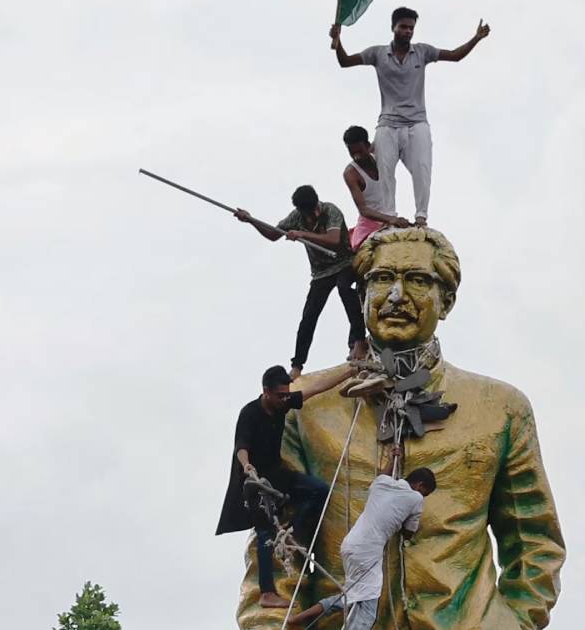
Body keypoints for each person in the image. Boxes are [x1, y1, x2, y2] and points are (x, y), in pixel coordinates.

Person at [236, 228, 565, 629]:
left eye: (418, 279)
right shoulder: (304, 408)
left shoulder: (502, 410)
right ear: (361, 297)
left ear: (447, 301)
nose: (396, 295)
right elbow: (276, 541)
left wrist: (512, 622)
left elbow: (534, 540)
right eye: (381, 279)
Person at [329, 7, 491, 226]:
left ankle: (421, 216)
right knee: (385, 169)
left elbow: (454, 56)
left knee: (423, 168)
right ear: (393, 28)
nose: (407, 32)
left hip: (416, 122)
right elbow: (345, 61)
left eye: (411, 28)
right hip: (388, 123)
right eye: (403, 27)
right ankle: (389, 217)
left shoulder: (422, 52)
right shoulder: (377, 54)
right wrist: (338, 42)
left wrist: (476, 38)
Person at [216, 364, 355, 609]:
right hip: (255, 483)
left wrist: (350, 372)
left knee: (319, 490)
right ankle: (267, 593)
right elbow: (242, 446)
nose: (284, 399)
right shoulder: (250, 413)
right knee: (265, 534)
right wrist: (247, 467)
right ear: (266, 391)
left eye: (286, 394)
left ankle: (292, 535)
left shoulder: (282, 403)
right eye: (279, 395)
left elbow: (316, 388)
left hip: (278, 474)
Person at [286, 446, 435, 629]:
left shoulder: (381, 484)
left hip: (350, 545)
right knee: (367, 611)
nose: (423, 497)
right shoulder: (416, 499)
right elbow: (408, 533)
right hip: (368, 551)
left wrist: (391, 460)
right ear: (420, 485)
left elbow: (382, 475)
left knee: (351, 596)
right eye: (425, 493)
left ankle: (299, 618)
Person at [234, 185, 367, 379]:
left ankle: (359, 340)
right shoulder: (296, 217)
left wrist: (303, 234)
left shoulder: (330, 210)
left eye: (313, 212)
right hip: (321, 272)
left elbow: (333, 239)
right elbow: (273, 234)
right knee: (309, 315)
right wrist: (251, 220)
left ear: (316, 205)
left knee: (344, 288)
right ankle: (297, 365)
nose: (311, 217)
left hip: (344, 263)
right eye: (307, 214)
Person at [341, 125, 412, 251]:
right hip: (369, 226)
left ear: (368, 146)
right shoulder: (351, 174)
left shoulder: (381, 156)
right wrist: (391, 220)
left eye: (360, 151)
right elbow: (363, 210)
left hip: (391, 220)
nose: (356, 156)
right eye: (352, 153)